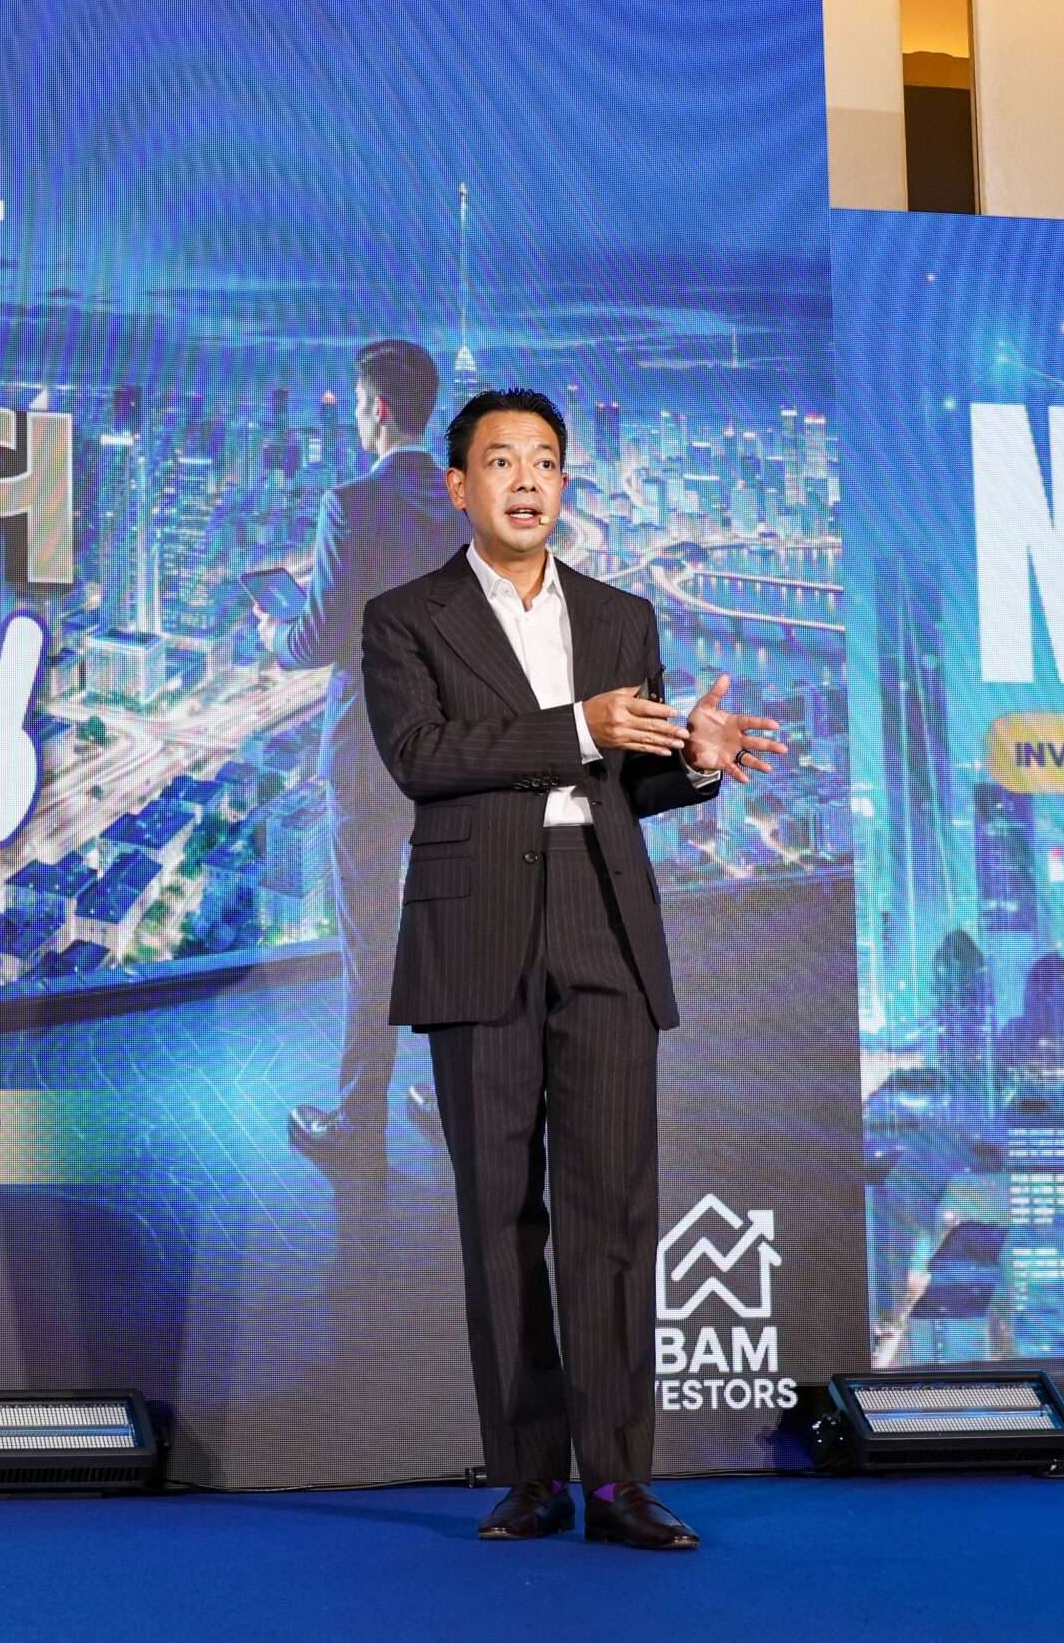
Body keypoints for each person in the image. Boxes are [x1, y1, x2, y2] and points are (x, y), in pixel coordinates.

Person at [359, 387, 783, 1549]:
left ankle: (618, 1478)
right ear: (459, 486)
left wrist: (695, 760)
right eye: (501, 462)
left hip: (602, 916)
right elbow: (421, 756)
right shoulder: (404, 617)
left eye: (544, 461)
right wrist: (583, 726)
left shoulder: (619, 615)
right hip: (475, 926)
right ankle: (530, 1472)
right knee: (500, 1212)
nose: (527, 481)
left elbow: (624, 784)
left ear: (564, 481)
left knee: (613, 1208)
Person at [257, 340, 475, 1165]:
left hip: (367, 760)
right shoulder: (466, 502)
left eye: (356, 405)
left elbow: (319, 638)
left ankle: (359, 1123)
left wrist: (274, 633)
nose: (355, 418)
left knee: (371, 942)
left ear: (378, 409)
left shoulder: (349, 505)